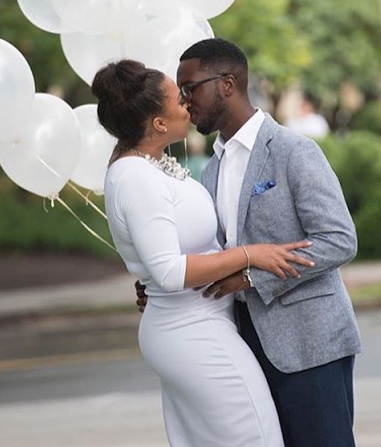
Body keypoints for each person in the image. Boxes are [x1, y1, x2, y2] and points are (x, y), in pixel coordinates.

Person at [139, 39, 362, 447]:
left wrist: (251, 277)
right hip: (246, 347)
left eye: (191, 88)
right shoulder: (210, 171)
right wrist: (158, 283)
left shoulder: (294, 151)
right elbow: (211, 255)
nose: (185, 102)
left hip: (309, 344)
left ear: (227, 83)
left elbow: (339, 240)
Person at [92, 59, 314, 447]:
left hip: (202, 325)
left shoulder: (150, 165)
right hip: (192, 334)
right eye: (178, 99)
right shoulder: (134, 177)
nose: (187, 104)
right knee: (256, 437)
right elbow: (170, 272)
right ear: (159, 123)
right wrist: (251, 255)